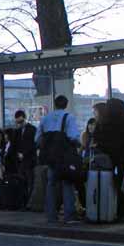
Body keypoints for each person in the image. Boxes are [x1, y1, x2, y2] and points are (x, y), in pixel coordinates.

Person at [35, 95, 80, 224]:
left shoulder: (45, 118)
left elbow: (37, 139)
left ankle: (51, 216)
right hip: (64, 157)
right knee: (67, 183)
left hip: (50, 157)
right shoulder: (69, 117)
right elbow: (73, 137)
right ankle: (69, 215)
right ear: (66, 104)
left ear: (54, 104)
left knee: (51, 184)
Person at [94, 98, 124, 222]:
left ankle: (121, 212)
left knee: (118, 186)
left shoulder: (104, 123)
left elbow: (99, 140)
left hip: (113, 159)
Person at [13, 110, 37, 204]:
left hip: (29, 160)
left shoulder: (32, 129)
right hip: (20, 161)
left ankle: (29, 203)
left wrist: (24, 154)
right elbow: (15, 145)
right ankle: (23, 202)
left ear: (25, 119)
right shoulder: (17, 131)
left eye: (20, 122)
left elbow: (33, 145)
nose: (19, 124)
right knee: (22, 182)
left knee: (30, 182)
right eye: (17, 122)